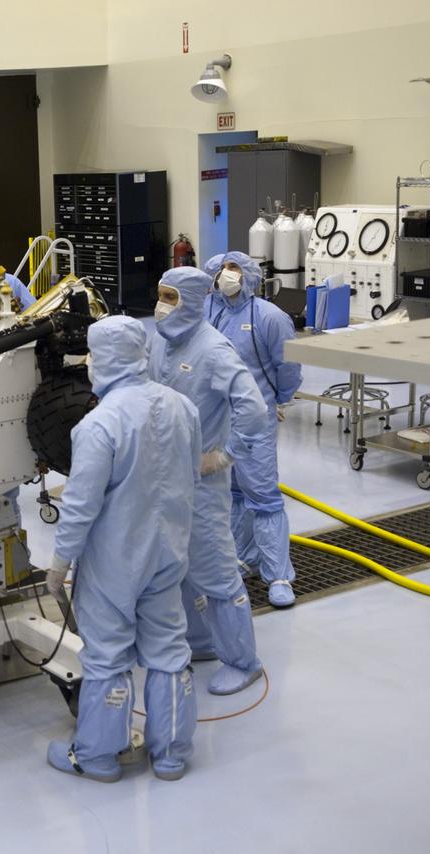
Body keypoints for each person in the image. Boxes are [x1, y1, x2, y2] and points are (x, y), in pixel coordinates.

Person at [45, 315, 201, 783]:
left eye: (92, 355)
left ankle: (97, 756)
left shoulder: (98, 425)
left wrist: (59, 564)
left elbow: (80, 506)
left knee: (108, 656)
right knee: (169, 650)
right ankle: (171, 754)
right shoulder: (181, 407)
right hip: (169, 553)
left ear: (104, 358)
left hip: (114, 563)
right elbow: (192, 477)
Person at [149, 266, 271, 695]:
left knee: (215, 569)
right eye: (160, 295)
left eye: (171, 297)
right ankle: (200, 642)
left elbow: (254, 410)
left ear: (194, 300)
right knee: (177, 564)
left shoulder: (215, 350)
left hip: (201, 485)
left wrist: (224, 456)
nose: (162, 305)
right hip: (166, 479)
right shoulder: (163, 343)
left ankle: (243, 660)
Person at [203, 251, 303, 608]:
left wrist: (280, 400)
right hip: (217, 422)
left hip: (255, 422)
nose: (226, 275)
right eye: (222, 268)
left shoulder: (270, 317)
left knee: (263, 497)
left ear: (249, 275)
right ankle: (243, 558)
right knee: (233, 495)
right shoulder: (207, 312)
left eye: (234, 269)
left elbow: (287, 366)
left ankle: (278, 576)